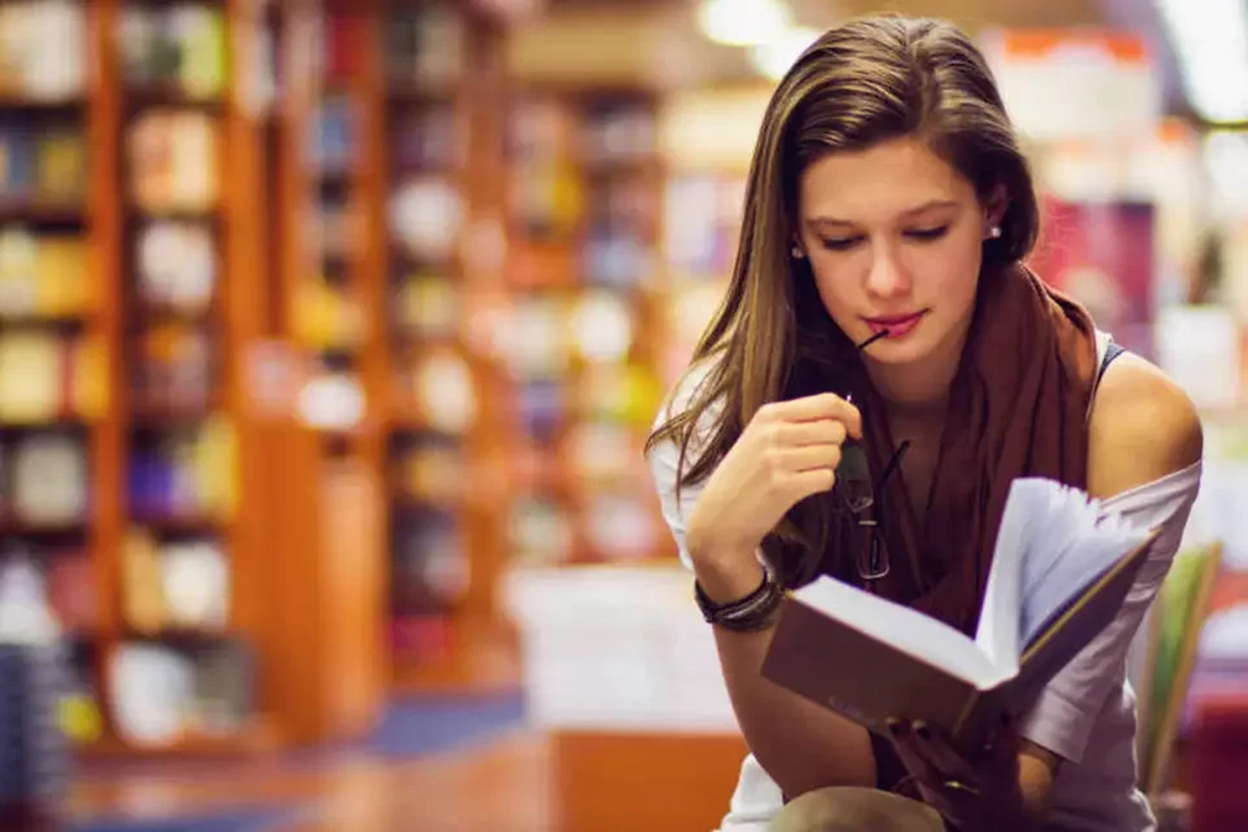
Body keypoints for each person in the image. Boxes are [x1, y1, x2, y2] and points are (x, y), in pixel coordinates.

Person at [645, 14, 1204, 832]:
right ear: (794, 239)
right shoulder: (719, 423)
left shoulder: (1125, 418)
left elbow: (1028, 790)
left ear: (994, 206)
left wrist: (979, 773)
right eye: (839, 240)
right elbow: (826, 785)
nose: (885, 280)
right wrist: (729, 571)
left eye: (925, 231)